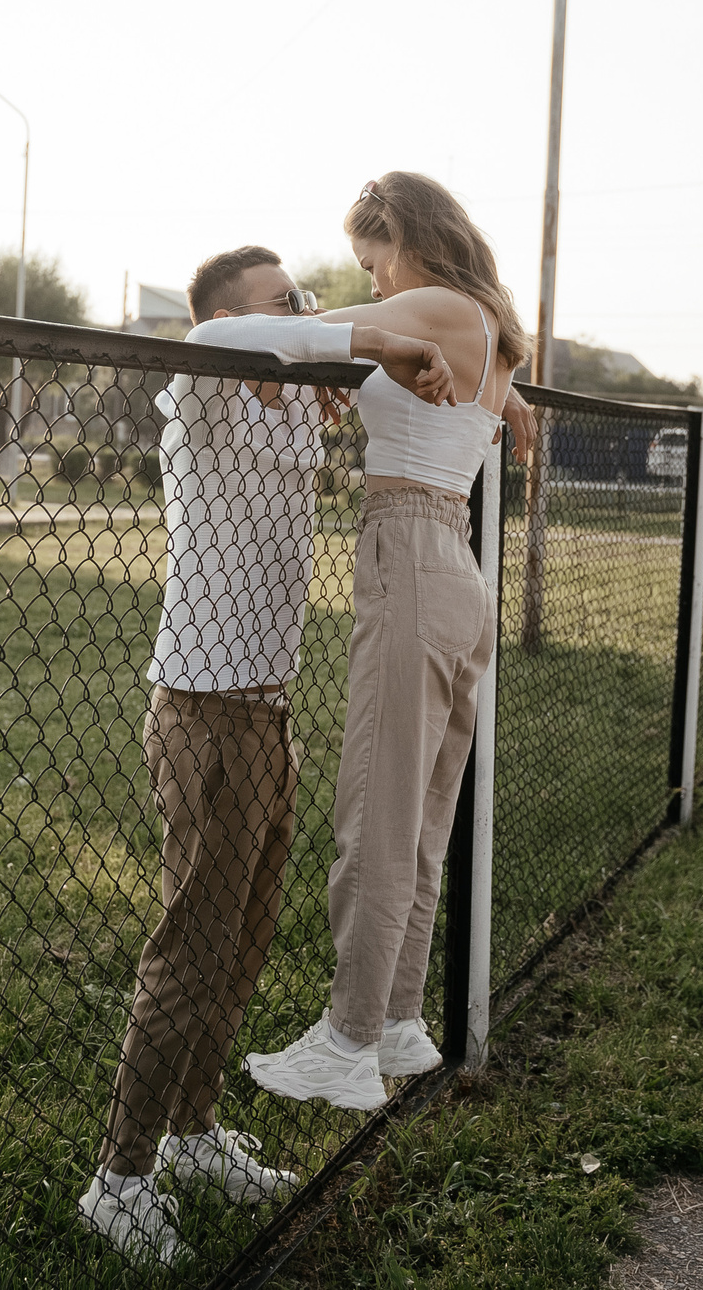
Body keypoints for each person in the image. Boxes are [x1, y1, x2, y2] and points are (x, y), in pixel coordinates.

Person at [79, 244, 454, 1265]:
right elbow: (213, 337)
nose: (305, 310)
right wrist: (362, 335)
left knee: (241, 940)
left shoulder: (291, 409)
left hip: (266, 712)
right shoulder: (200, 397)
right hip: (202, 712)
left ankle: (192, 1132)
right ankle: (119, 1175)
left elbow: (403, 388)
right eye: (285, 302)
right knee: (192, 947)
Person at [245, 173, 530, 1112]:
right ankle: (399, 1017)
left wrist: (343, 331)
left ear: (403, 237)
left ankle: (347, 1039)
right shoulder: (483, 319)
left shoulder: (433, 307)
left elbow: (306, 332)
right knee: (424, 812)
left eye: (374, 262)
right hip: (453, 559)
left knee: (377, 804)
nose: (372, 284)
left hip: (409, 552)